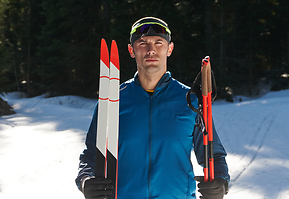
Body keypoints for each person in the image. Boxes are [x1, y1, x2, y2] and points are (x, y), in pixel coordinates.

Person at [75, 17, 230, 199]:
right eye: (142, 43)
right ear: (131, 50)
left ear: (169, 49)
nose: (151, 50)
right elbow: (92, 155)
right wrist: (86, 180)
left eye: (158, 42)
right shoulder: (111, 102)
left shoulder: (191, 102)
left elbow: (214, 155)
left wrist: (221, 182)